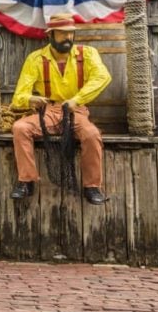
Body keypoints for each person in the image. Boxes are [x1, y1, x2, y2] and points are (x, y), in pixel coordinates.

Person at [9, 13, 112, 205]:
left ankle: (92, 186)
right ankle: (27, 181)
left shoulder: (87, 54)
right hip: (48, 112)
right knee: (20, 128)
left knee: (91, 134)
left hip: (76, 111)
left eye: (71, 33)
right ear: (51, 35)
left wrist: (77, 100)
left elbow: (102, 77)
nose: (68, 38)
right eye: (62, 34)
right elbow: (18, 98)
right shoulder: (36, 59)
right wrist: (31, 99)